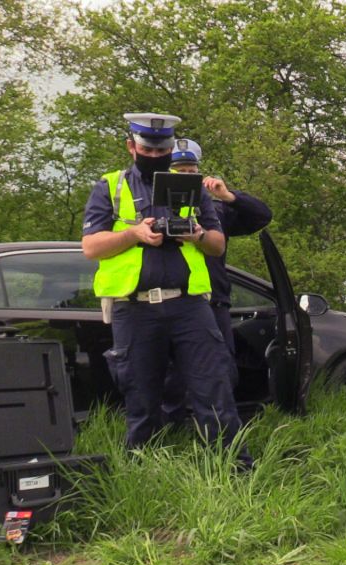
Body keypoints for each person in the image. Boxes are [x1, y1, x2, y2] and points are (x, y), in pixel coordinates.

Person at [81, 113, 251, 466]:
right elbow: (91, 246)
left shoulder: (191, 187)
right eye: (148, 149)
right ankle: (142, 476)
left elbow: (217, 244)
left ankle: (235, 471)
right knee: (141, 400)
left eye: (162, 150)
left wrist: (197, 235)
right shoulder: (110, 187)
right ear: (132, 147)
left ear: (171, 149)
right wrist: (134, 234)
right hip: (135, 308)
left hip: (189, 306)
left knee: (215, 392)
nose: (155, 155)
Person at [161, 138, 273, 424]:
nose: (186, 177)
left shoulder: (214, 210)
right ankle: (173, 433)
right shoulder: (154, 208)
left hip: (213, 302)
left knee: (222, 371)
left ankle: (219, 432)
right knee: (173, 377)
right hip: (171, 301)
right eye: (179, 172)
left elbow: (261, 216)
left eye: (191, 172)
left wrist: (228, 196)